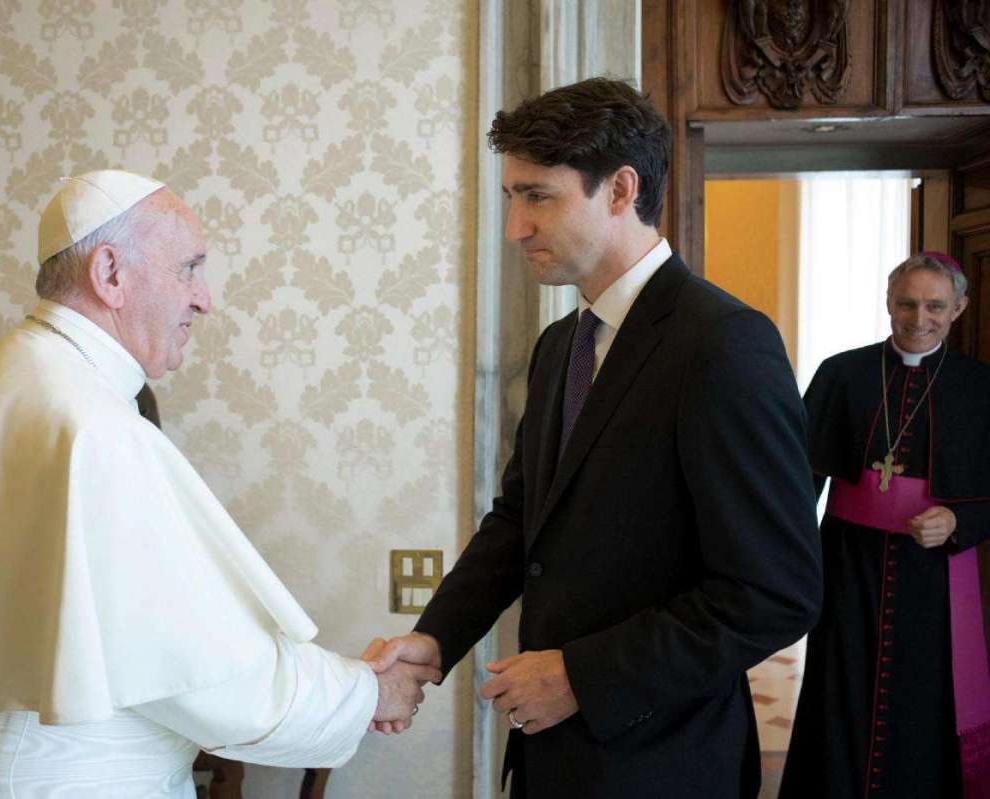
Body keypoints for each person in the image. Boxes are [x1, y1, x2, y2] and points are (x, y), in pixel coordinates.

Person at [0, 170, 437, 798]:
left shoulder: (14, 374)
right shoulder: (90, 423)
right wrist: (367, 691)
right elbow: (208, 677)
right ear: (110, 273)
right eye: (188, 269)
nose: (205, 299)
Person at [364, 77, 823, 798]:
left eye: (538, 197)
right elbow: (520, 522)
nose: (515, 226)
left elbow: (776, 591)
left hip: (666, 764)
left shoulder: (724, 344)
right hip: (553, 759)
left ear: (620, 190)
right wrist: (434, 639)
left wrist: (581, 676)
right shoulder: (559, 347)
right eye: (511, 197)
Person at [780, 252, 990, 799]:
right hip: (850, 565)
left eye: (935, 305)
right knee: (839, 688)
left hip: (934, 577)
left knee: (922, 697)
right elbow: (799, 477)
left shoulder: (979, 387)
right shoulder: (842, 373)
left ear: (960, 308)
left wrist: (960, 520)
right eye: (906, 303)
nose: (919, 317)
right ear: (888, 302)